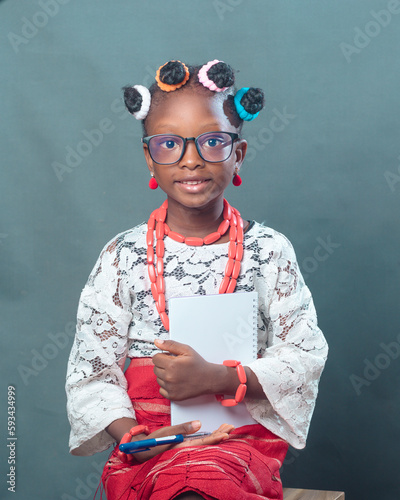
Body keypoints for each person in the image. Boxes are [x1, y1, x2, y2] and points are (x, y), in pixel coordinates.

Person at [66, 60, 328, 500]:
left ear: (238, 154)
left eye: (212, 141)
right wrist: (133, 435)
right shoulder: (122, 255)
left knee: (202, 484)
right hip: (151, 441)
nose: (192, 159)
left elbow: (304, 354)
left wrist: (219, 380)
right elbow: (92, 373)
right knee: (172, 482)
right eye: (169, 144)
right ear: (150, 158)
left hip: (236, 438)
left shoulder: (269, 251)